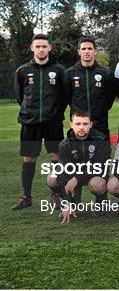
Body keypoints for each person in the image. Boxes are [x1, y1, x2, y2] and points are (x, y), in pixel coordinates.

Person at [12, 34, 66, 210]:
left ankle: (56, 194)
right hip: (30, 122)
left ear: (50, 48)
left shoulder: (59, 70)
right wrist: (31, 111)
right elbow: (21, 97)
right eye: (38, 46)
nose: (41, 49)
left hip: (53, 122)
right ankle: (26, 196)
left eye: (44, 46)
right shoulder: (22, 71)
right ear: (32, 48)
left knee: (56, 156)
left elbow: (64, 96)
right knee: (29, 158)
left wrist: (55, 112)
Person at [47, 111, 110, 223]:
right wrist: (67, 202)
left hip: (94, 175)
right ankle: (73, 202)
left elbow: (101, 167)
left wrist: (77, 179)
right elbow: (63, 172)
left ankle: (101, 203)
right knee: (52, 178)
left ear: (91, 124)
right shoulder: (64, 144)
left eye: (85, 124)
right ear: (71, 124)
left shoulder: (101, 139)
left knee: (98, 184)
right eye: (78, 124)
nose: (81, 127)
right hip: (73, 174)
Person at [64, 37, 115, 138]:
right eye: (83, 49)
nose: (87, 51)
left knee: (102, 153)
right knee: (78, 153)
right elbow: (66, 97)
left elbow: (109, 98)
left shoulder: (106, 74)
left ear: (95, 51)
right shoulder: (69, 73)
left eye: (90, 49)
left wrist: (100, 109)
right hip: (79, 123)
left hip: (100, 122)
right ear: (79, 51)